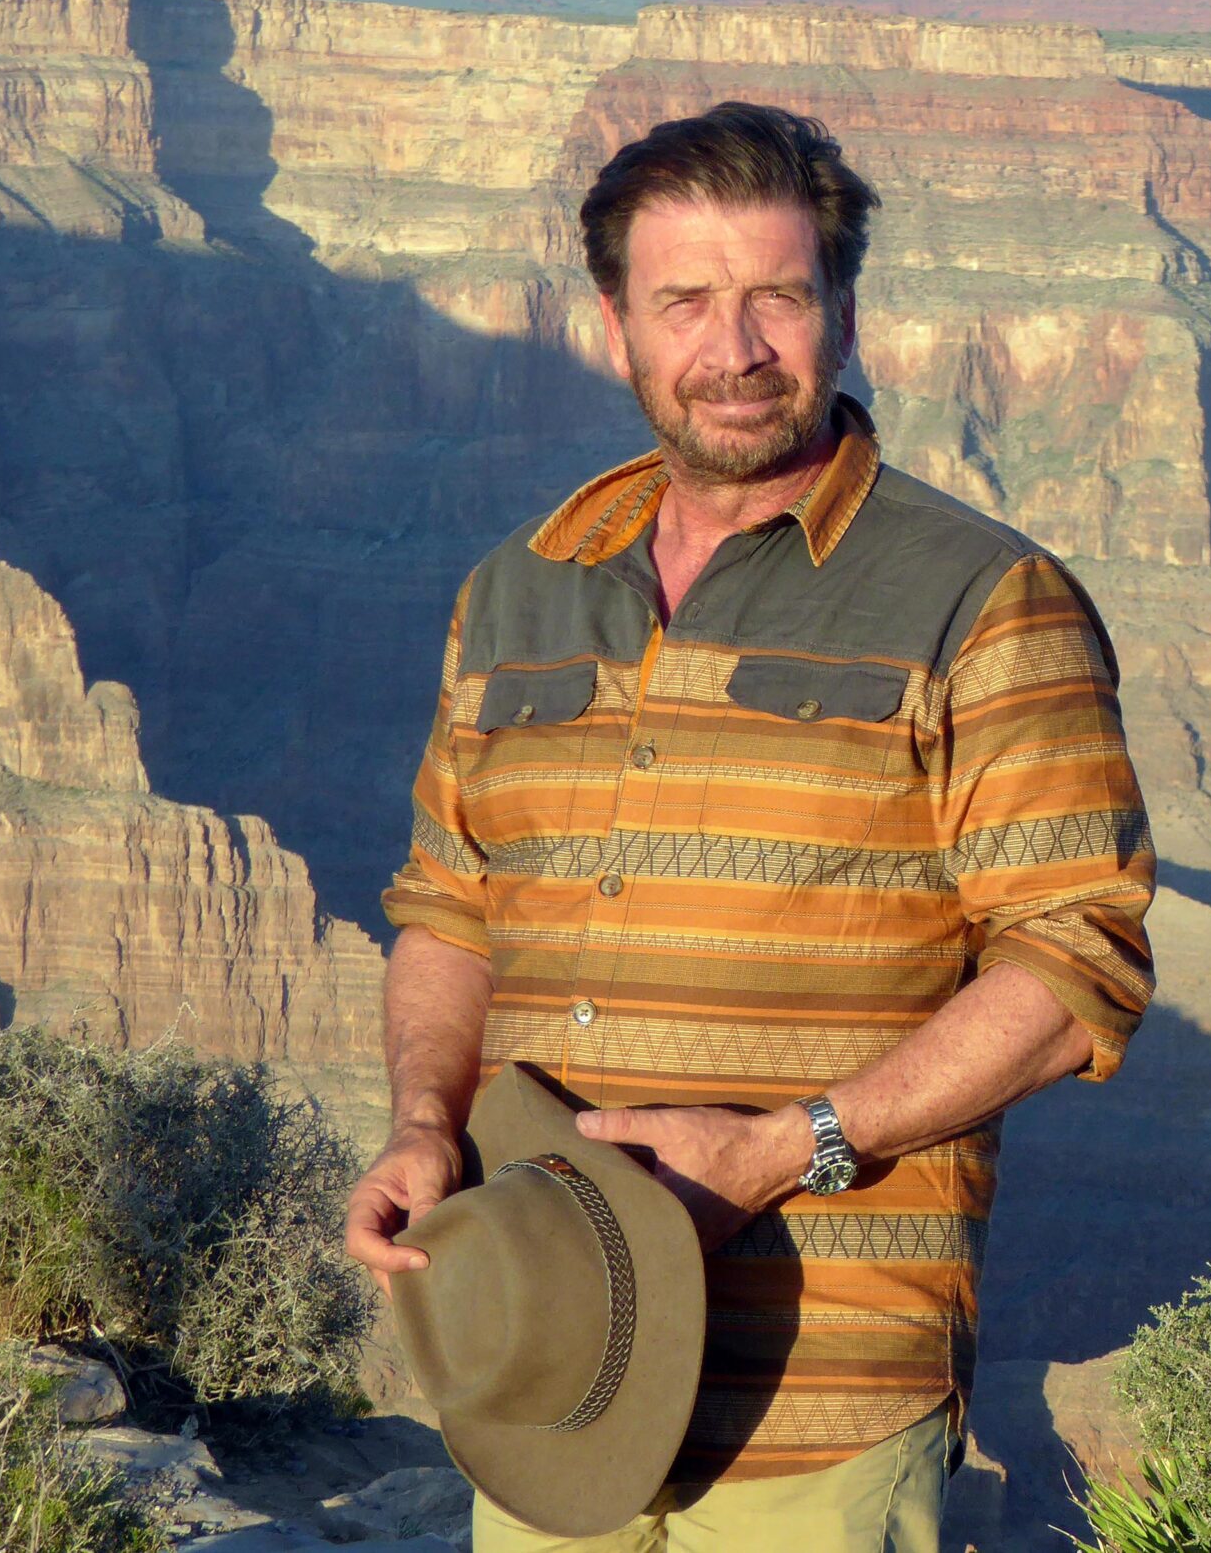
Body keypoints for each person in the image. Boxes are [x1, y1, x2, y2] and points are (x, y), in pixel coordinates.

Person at [342, 101, 1157, 1552]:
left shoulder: (982, 601)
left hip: (818, 1402)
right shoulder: (514, 595)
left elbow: (1074, 964)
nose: (736, 350)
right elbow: (449, 911)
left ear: (842, 311)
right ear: (614, 326)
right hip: (548, 1361)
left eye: (778, 295)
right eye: (687, 303)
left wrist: (789, 1148)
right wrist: (420, 1126)